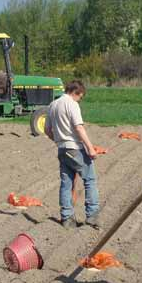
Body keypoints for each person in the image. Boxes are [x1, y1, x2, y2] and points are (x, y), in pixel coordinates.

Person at [44, 80, 100, 229]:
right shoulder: (72, 104)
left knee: (66, 183)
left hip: (62, 149)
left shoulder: (53, 105)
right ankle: (92, 216)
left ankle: (67, 218)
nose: (80, 99)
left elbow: (47, 130)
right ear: (77, 92)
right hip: (75, 148)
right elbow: (79, 128)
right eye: (80, 97)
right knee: (90, 180)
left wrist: (58, 141)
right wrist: (90, 148)